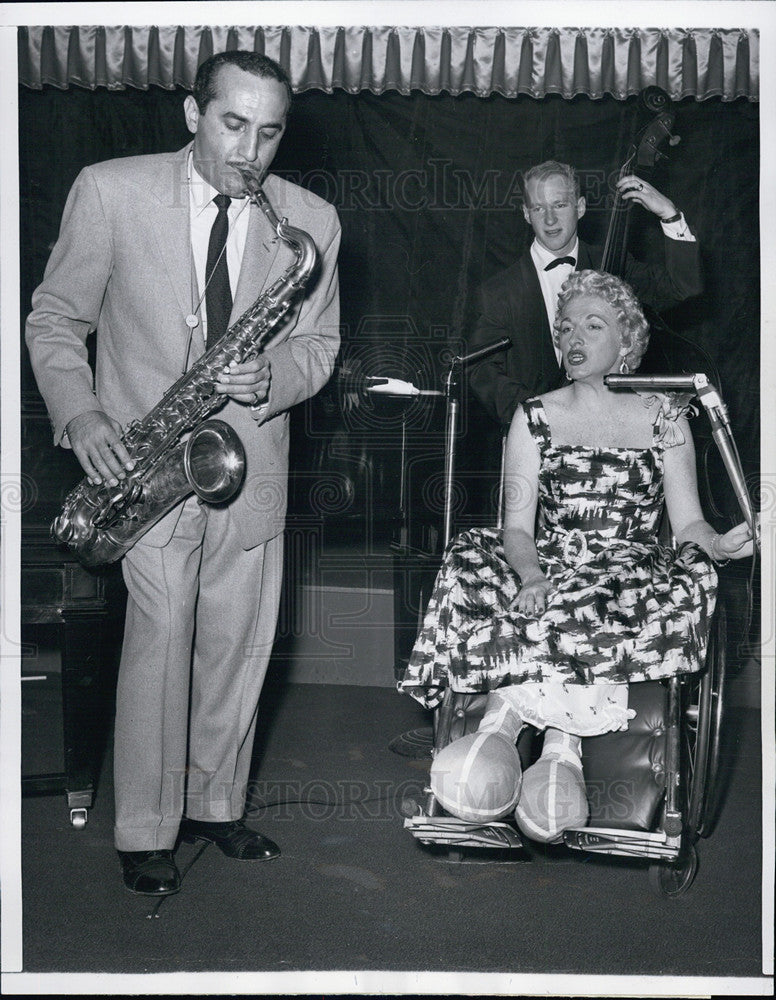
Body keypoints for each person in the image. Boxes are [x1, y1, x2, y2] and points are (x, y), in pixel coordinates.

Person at [25, 51, 341, 895]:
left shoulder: (310, 219)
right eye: (233, 124)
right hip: (146, 463)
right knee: (161, 640)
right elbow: (55, 319)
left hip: (252, 458)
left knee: (239, 646)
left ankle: (216, 808)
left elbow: (320, 347)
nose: (251, 151)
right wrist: (83, 414)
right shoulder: (110, 190)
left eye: (269, 131)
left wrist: (275, 377)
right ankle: (145, 831)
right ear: (191, 113)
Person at [398, 270, 754, 842]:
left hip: (627, 569)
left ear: (628, 340)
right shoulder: (533, 416)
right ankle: (500, 731)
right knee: (468, 565)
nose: (574, 338)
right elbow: (515, 527)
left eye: (593, 324)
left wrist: (717, 544)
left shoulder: (667, 416)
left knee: (678, 583)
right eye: (565, 328)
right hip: (547, 560)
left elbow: (688, 523)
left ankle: (558, 751)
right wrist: (533, 573)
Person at [468, 160, 703, 428]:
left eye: (559, 205)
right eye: (538, 208)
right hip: (534, 437)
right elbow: (481, 370)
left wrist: (669, 214)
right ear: (526, 214)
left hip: (612, 428)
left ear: (580, 207)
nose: (549, 219)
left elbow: (682, 287)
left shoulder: (614, 265)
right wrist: (539, 417)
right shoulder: (499, 291)